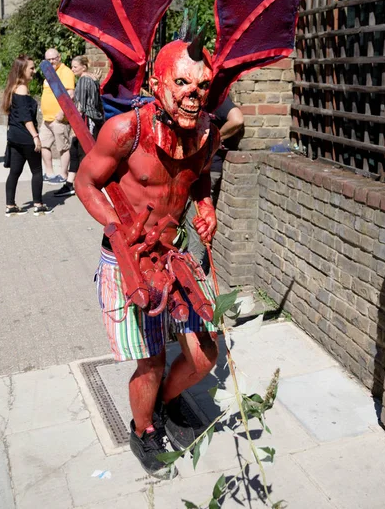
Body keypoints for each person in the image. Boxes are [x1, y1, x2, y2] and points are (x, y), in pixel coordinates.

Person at [75, 38, 220, 480]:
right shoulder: (126, 131)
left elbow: (197, 179)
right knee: (152, 360)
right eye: (182, 83)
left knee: (205, 355)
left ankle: (168, 401)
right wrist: (118, 229)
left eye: (203, 86)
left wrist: (206, 206)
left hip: (174, 256)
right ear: (159, 83)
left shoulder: (206, 132)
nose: (192, 95)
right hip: (130, 262)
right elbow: (85, 182)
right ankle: (144, 429)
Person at [185, 96, 244, 271]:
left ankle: (195, 276)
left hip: (207, 170)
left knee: (197, 222)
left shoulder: (217, 98)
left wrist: (213, 140)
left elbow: (237, 119)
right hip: (194, 168)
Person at [3, 55, 53, 216]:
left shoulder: (13, 87)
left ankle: (10, 205)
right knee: (37, 170)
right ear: (22, 70)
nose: (34, 70)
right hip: (26, 137)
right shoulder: (22, 89)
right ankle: (38, 204)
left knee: (15, 172)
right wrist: (35, 136)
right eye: (31, 68)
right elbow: (25, 117)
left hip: (14, 137)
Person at [54, 56, 104, 197]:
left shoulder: (83, 80)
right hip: (95, 119)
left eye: (75, 66)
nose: (73, 69)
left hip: (86, 120)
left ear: (84, 67)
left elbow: (81, 106)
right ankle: (70, 184)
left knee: (81, 152)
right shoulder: (93, 79)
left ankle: (86, 185)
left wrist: (76, 126)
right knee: (76, 150)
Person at [40, 48, 75, 184]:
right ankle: (49, 173)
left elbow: (70, 94)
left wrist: (62, 113)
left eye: (54, 58)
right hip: (46, 118)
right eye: (48, 60)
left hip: (59, 119)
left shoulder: (65, 72)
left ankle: (63, 174)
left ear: (59, 57)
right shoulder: (48, 72)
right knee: (44, 145)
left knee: (63, 147)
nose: (51, 61)